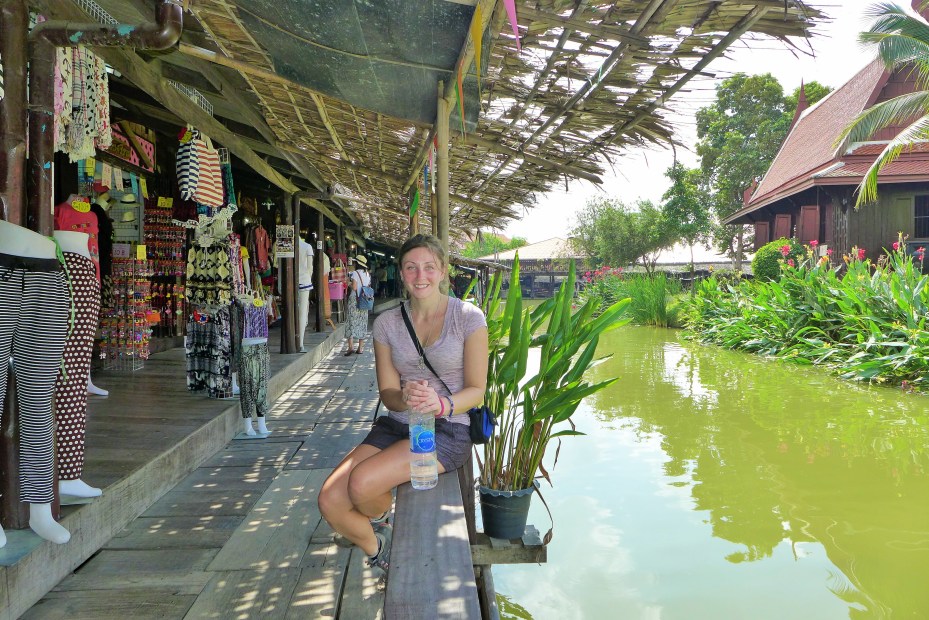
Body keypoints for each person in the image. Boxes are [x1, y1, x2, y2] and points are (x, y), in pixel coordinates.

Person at [317, 234, 489, 575]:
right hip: (397, 422)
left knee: (361, 483)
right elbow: (387, 393)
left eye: (428, 267)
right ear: (401, 272)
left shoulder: (468, 317)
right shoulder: (386, 323)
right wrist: (405, 397)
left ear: (443, 271)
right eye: (411, 267)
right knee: (330, 500)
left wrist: (439, 404)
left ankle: (377, 520)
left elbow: (476, 390)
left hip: (448, 428)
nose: (420, 275)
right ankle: (379, 543)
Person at [343, 255, 372, 355]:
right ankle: (360, 348)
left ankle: (350, 347)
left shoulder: (355, 273)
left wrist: (348, 283)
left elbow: (354, 287)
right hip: (364, 301)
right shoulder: (368, 274)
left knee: (351, 321)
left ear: (357, 263)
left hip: (354, 299)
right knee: (363, 322)